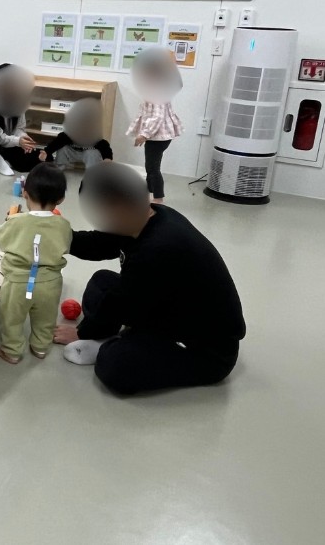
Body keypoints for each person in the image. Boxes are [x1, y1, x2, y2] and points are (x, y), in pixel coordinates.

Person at [53, 162, 246, 395]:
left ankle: (112, 344)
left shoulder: (157, 248)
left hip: (205, 350)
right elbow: (99, 244)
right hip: (169, 309)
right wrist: (56, 236)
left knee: (114, 366)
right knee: (101, 281)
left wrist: (83, 333)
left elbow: (122, 302)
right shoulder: (145, 217)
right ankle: (119, 339)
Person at [0, 163, 72, 364]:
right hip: (50, 283)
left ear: (25, 194)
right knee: (46, 318)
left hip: (18, 283)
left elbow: (2, 239)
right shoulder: (63, 225)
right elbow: (66, 246)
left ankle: (11, 351)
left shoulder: (16, 221)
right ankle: (40, 347)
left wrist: (9, 219)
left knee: (11, 319)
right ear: (61, 199)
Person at [127, 47, 183, 204]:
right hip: (157, 136)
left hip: (158, 136)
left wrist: (144, 134)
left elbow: (157, 117)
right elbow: (146, 113)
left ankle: (158, 198)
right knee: (150, 166)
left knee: (152, 168)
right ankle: (149, 193)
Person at [40, 98, 113, 168]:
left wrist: (107, 158)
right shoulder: (68, 134)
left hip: (87, 154)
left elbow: (105, 146)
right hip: (73, 153)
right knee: (62, 148)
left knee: (92, 153)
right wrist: (46, 151)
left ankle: (91, 172)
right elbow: (57, 142)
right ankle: (59, 168)